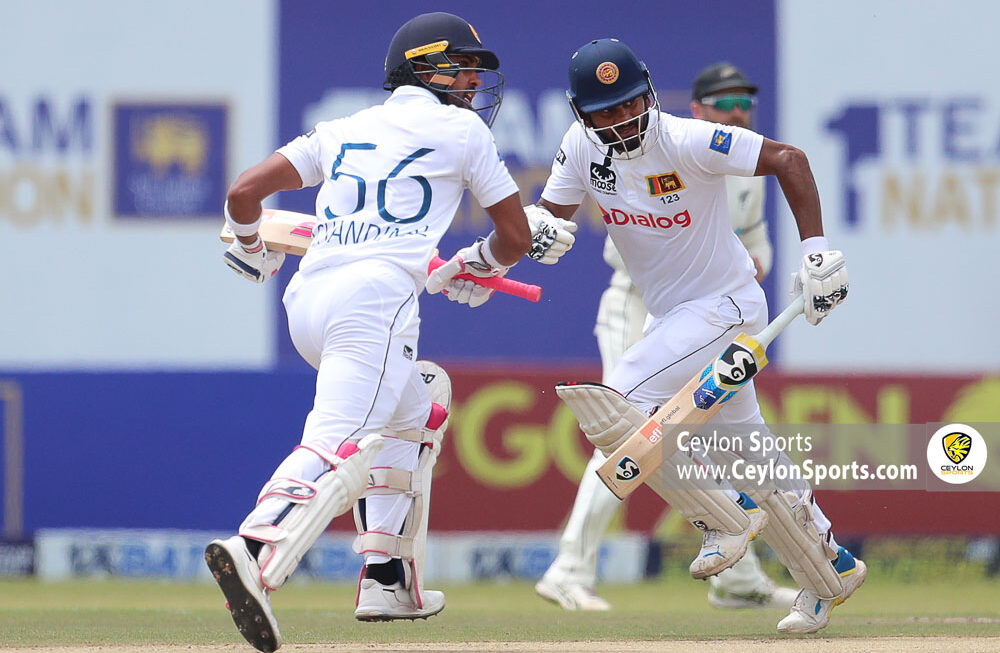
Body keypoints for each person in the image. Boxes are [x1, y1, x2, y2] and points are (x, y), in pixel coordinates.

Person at [203, 13, 574, 652]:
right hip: (374, 306)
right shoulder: (463, 132)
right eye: (458, 67)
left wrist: (248, 244)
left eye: (473, 72)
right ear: (420, 67)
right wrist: (481, 265)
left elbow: (244, 193)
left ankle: (386, 578)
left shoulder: (342, 129)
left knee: (421, 403)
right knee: (339, 442)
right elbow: (515, 238)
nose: (468, 83)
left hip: (308, 302)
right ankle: (256, 550)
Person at [530, 38, 862, 634]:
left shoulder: (687, 139)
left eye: (630, 104)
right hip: (673, 318)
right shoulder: (580, 148)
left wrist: (817, 253)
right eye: (604, 112)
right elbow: (550, 217)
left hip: (727, 309)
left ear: (650, 94)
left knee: (621, 400)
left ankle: (722, 520)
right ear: (582, 115)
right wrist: (539, 233)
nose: (621, 120)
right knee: (751, 456)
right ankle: (830, 571)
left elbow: (790, 159)